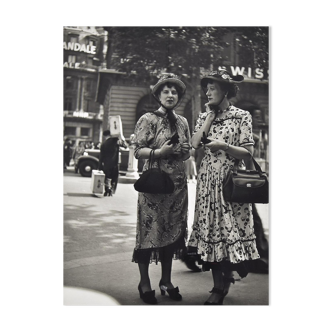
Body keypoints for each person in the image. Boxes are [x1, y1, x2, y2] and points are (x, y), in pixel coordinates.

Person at [187, 69, 261, 306]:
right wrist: (208, 118)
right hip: (207, 182)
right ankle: (218, 284)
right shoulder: (203, 116)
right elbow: (194, 145)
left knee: (229, 231)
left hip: (231, 183)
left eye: (212, 88)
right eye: (206, 88)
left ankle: (223, 284)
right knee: (211, 233)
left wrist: (224, 146)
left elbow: (249, 152)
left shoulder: (242, 116)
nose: (207, 92)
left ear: (225, 91)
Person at [131, 73, 191, 304]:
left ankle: (166, 280)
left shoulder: (183, 121)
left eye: (174, 92)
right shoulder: (148, 119)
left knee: (172, 234)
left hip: (177, 188)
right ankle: (144, 282)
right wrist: (159, 153)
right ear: (157, 95)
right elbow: (138, 150)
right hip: (154, 187)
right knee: (149, 233)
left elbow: (186, 153)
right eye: (165, 91)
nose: (170, 95)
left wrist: (184, 151)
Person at [98, 130, 128, 196]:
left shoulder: (103, 144)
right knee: (114, 177)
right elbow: (125, 146)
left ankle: (107, 190)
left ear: (105, 136)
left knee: (107, 177)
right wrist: (122, 138)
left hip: (106, 163)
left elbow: (101, 156)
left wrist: (100, 166)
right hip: (115, 163)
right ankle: (112, 190)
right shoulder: (115, 141)